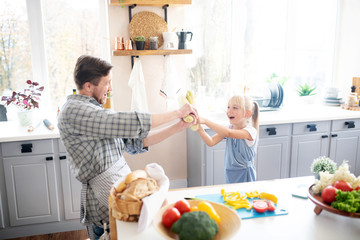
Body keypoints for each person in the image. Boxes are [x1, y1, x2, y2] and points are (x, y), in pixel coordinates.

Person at [57, 55, 197, 240]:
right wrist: (177, 113)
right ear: (89, 86)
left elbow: (135, 142)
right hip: (102, 203)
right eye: (107, 83)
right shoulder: (74, 111)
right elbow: (126, 122)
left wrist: (178, 126)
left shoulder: (94, 111)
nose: (111, 88)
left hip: (121, 190)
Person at [196, 95, 259, 183]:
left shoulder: (250, 132)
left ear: (247, 114)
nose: (229, 111)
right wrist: (199, 128)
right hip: (231, 173)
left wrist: (206, 121)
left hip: (245, 175)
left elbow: (228, 133)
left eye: (235, 108)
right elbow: (211, 142)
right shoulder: (229, 128)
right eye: (228, 107)